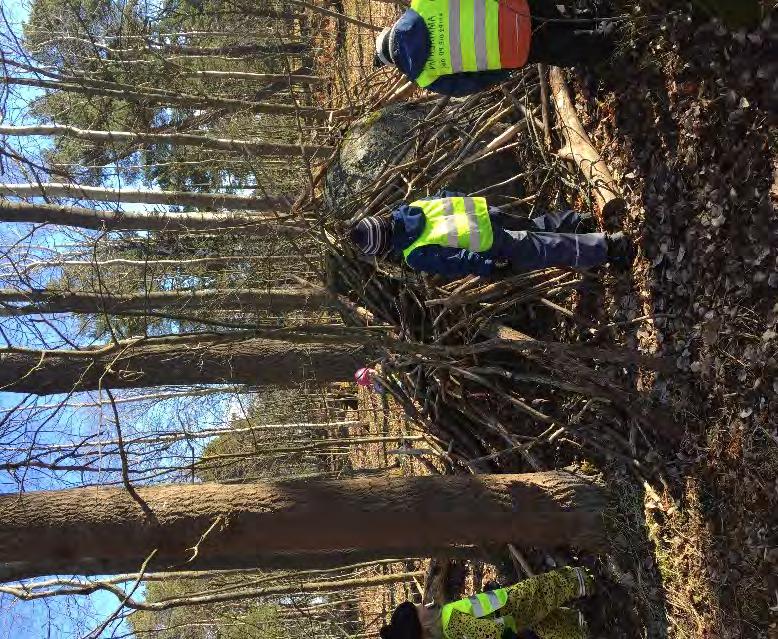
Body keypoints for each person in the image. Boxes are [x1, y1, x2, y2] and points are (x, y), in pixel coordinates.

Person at [348, 194, 633, 278]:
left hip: (487, 241)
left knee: (541, 249)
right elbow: (448, 195)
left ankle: (609, 246)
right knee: (533, 227)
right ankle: (577, 222)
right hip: (485, 212)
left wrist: (488, 268)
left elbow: (458, 260)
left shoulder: (414, 254)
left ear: (383, 246)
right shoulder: (411, 208)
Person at [374, 0, 614, 96]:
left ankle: (609, 38)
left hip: (511, 50)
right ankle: (598, 15)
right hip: (512, 6)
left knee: (560, 48)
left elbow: (471, 84)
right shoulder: (422, 3)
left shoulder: (425, 77)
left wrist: (504, 69)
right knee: (552, 14)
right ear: (393, 26)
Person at [379, 566, 594, 639]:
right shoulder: (450, 622)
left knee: (545, 621)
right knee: (543, 590)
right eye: (419, 610)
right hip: (509, 606)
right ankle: (586, 578)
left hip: (508, 615)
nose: (422, 605)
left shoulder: (444, 629)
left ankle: (579, 626)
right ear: (422, 626)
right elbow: (490, 634)